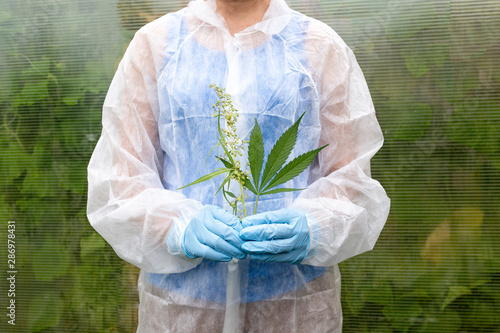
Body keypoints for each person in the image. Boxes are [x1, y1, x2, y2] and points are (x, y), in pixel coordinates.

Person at [87, 0, 391, 331]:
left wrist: (313, 228)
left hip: (293, 305)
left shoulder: (319, 47)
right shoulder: (156, 45)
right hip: (182, 309)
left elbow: (352, 181)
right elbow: (120, 180)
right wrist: (178, 228)